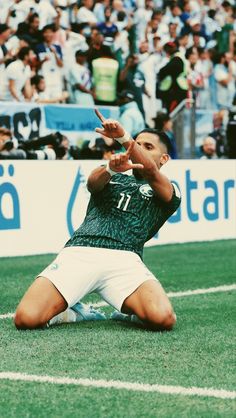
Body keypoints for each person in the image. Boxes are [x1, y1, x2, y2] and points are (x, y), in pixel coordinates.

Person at [14, 109, 181, 332]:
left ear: (164, 159)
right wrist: (111, 169)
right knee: (26, 319)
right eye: (137, 145)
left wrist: (124, 138)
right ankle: (72, 313)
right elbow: (92, 184)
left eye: (147, 147)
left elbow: (151, 172)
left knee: (164, 319)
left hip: (125, 259)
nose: (137, 150)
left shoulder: (170, 190)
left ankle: (127, 313)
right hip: (80, 251)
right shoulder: (116, 172)